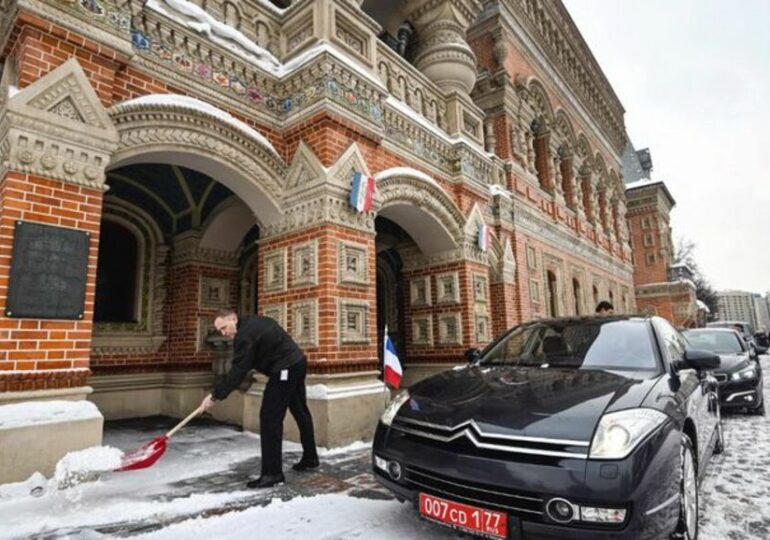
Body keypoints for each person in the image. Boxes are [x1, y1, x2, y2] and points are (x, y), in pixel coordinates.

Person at [200, 309, 319, 489]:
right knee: (299, 410)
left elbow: (239, 371)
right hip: (296, 362)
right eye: (220, 330)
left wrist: (215, 395)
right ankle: (310, 458)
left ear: (233, 317)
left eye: (224, 327)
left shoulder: (244, 335)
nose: (224, 333)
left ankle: (273, 474)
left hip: (286, 367)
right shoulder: (251, 323)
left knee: (270, 417)